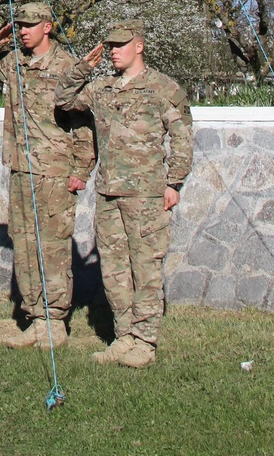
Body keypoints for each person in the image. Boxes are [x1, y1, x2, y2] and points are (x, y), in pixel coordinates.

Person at [54, 18, 194, 368]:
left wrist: (173, 183)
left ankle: (145, 342)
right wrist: (84, 66)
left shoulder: (163, 89)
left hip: (146, 195)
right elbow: (64, 99)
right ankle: (124, 336)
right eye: (110, 46)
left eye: (120, 45)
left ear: (139, 46)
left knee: (145, 268)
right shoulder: (102, 89)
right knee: (114, 271)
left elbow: (182, 138)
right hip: (109, 193)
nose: (113, 52)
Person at [0, 0, 95, 347]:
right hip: (21, 168)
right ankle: (35, 316)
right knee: (25, 246)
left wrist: (81, 170)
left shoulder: (68, 67)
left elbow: (85, 125)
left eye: (29, 25)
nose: (23, 31)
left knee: (53, 246)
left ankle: (55, 321)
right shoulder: (15, 62)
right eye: (19, 25)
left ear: (47, 26)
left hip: (54, 171)